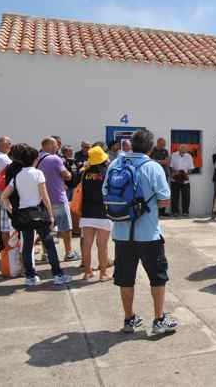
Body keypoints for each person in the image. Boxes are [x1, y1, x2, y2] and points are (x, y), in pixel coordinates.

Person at [102, 129, 178, 335]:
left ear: (130, 145)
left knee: (125, 278)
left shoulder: (115, 164)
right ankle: (159, 320)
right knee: (158, 277)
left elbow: (105, 193)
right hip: (148, 234)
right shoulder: (153, 167)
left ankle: (129, 319)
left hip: (121, 233)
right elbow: (164, 200)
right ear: (150, 148)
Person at [0, 144, 71, 287]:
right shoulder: (38, 173)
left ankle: (30, 276)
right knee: (49, 244)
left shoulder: (17, 175)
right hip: (38, 212)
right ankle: (57, 274)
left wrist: (11, 209)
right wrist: (51, 215)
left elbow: (3, 196)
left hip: (23, 214)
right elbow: (45, 197)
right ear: (34, 159)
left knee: (27, 245)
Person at [37, 137, 79, 261]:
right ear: (49, 145)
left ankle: (46, 254)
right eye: (55, 145)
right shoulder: (55, 159)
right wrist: (70, 174)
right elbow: (67, 176)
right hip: (57, 198)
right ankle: (69, 253)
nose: (57, 147)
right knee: (65, 227)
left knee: (46, 228)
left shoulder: (36, 158)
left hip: (42, 200)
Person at [79, 146, 112, 281]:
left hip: (87, 212)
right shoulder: (107, 173)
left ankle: (87, 272)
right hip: (104, 212)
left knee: (87, 245)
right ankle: (103, 274)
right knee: (102, 246)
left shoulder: (84, 173)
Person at [170, 144, 194, 217]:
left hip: (185, 179)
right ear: (179, 149)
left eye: (185, 150)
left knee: (186, 196)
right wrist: (175, 172)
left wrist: (187, 174)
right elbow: (171, 166)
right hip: (175, 178)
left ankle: (185, 212)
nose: (184, 151)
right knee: (174, 196)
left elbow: (191, 168)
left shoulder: (189, 156)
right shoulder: (174, 155)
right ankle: (175, 212)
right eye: (182, 149)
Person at [150, 138, 170, 216]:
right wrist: (161, 161)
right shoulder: (152, 150)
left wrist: (156, 161)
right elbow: (149, 160)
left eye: (164, 144)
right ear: (158, 143)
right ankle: (155, 212)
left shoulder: (165, 151)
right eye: (162, 144)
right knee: (154, 193)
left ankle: (162, 211)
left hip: (164, 174)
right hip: (154, 175)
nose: (163, 146)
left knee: (163, 192)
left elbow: (166, 161)